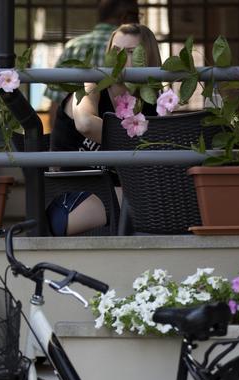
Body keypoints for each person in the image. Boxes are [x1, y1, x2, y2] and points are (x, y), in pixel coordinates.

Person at [46, 24, 162, 236]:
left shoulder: (151, 100)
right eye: (115, 51)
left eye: (130, 53)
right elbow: (85, 124)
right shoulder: (92, 87)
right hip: (69, 203)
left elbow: (164, 154)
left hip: (122, 198)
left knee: (163, 198)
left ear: (148, 58)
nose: (120, 59)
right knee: (156, 200)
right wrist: (140, 137)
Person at [45, 0, 141, 122]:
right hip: (125, 132)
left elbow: (56, 105)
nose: (139, 22)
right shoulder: (134, 49)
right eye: (137, 16)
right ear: (125, 18)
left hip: (76, 136)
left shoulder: (73, 47)